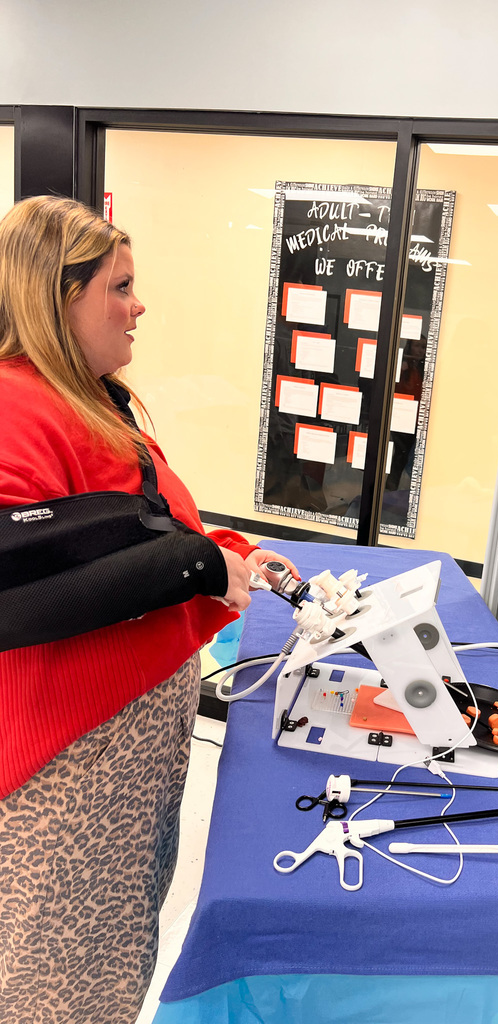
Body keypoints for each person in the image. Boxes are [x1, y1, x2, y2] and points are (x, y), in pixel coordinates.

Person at [0, 195, 299, 1023]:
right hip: (72, 773)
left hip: (131, 758)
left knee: (120, 957)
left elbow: (147, 524)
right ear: (60, 297)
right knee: (60, 989)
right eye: (119, 287)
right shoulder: (15, 405)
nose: (138, 306)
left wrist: (230, 553)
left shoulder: (96, 397)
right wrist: (194, 564)